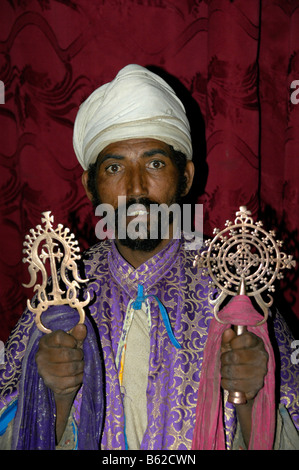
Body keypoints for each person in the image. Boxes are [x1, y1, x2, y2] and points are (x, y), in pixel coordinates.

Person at [0, 65, 298, 450]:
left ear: (186, 177)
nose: (136, 187)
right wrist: (55, 399)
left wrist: (254, 396)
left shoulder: (235, 286)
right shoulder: (61, 293)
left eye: (155, 164)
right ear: (89, 187)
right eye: (114, 167)